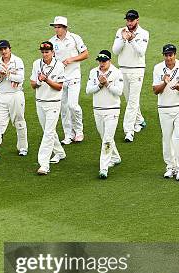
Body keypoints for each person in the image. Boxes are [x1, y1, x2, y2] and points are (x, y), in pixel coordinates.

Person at [152, 44, 179, 181]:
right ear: (163, 55)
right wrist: (164, 82)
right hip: (164, 107)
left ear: (175, 54)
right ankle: (170, 167)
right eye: (166, 55)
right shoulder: (158, 68)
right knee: (167, 138)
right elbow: (155, 90)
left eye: (171, 55)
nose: (169, 58)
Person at [0, 40, 27, 161]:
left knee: (19, 122)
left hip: (16, 95)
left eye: (5, 49)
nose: (3, 51)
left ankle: (23, 147)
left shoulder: (17, 61)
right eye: (1, 49)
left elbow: (21, 78)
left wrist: (8, 74)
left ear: (9, 49)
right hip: (1, 96)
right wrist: (0, 76)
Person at [49, 16, 88, 145]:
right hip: (60, 79)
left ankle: (79, 131)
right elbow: (49, 59)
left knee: (73, 105)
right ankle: (68, 134)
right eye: (55, 27)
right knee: (63, 108)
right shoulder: (51, 41)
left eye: (59, 27)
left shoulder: (75, 38)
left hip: (74, 76)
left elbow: (85, 54)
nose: (56, 29)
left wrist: (71, 59)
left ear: (65, 27)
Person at [112, 9, 149, 142]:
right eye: (128, 20)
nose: (129, 22)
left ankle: (129, 131)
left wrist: (132, 40)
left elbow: (141, 52)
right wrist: (123, 39)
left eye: (132, 20)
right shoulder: (120, 31)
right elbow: (115, 51)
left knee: (132, 101)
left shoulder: (144, 33)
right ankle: (140, 120)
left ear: (137, 20)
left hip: (137, 70)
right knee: (129, 100)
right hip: (123, 69)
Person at [85, 50, 123, 179]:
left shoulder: (117, 72)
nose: (101, 63)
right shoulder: (93, 72)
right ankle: (116, 157)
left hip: (112, 110)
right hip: (98, 109)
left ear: (109, 61)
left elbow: (119, 91)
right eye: (100, 61)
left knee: (106, 139)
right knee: (105, 137)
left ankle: (103, 168)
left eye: (104, 61)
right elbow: (88, 90)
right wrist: (100, 84)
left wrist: (107, 83)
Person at [30, 41, 66, 175]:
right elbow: (33, 85)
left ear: (53, 52)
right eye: (43, 52)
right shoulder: (36, 64)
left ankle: (44, 164)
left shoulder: (59, 66)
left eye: (47, 52)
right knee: (47, 130)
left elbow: (59, 86)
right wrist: (39, 80)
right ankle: (60, 152)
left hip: (53, 103)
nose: (45, 54)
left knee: (48, 133)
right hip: (40, 102)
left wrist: (46, 80)